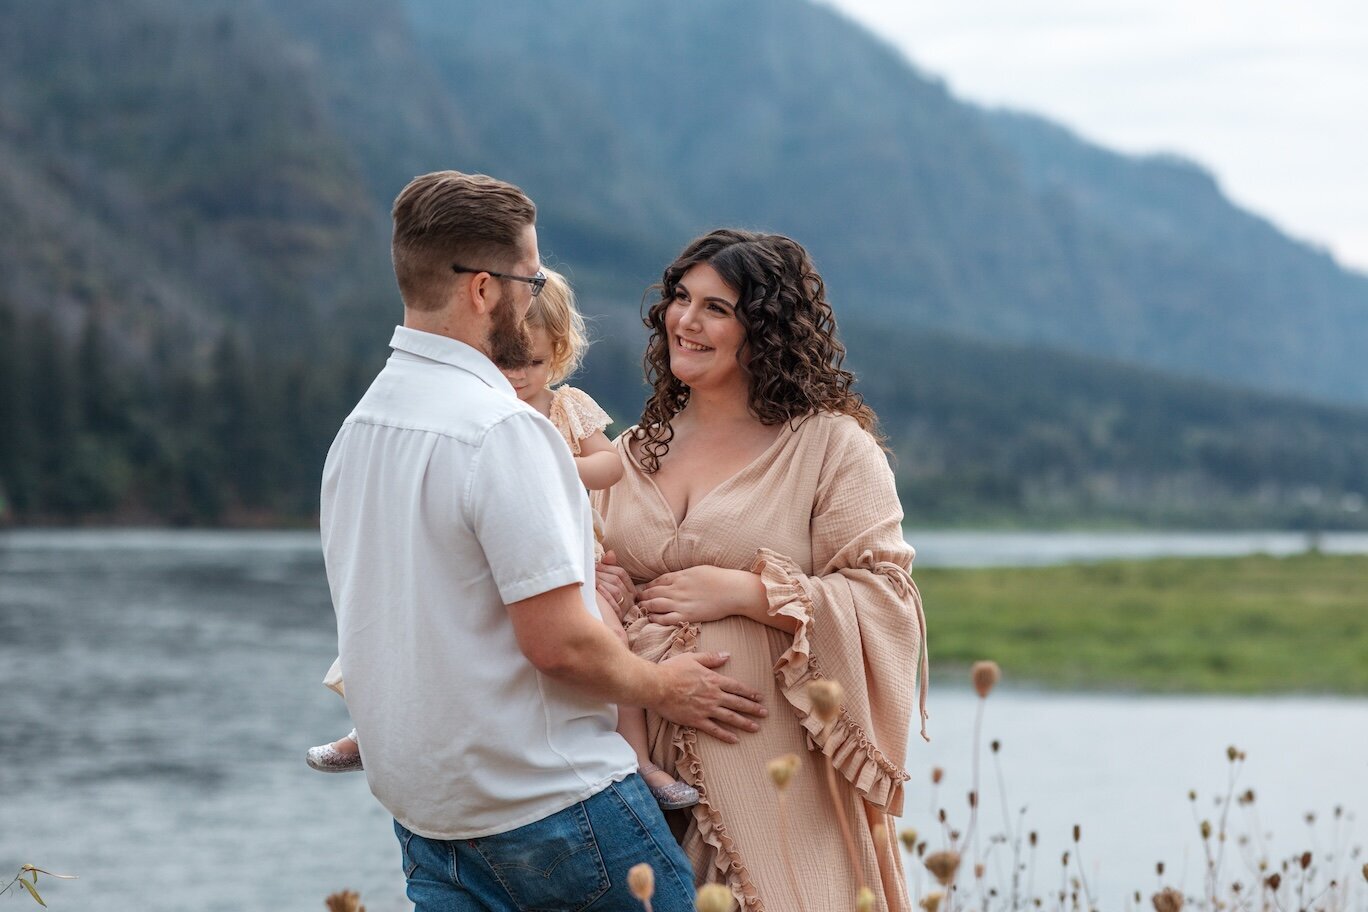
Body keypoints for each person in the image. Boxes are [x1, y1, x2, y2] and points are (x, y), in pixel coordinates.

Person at [319, 173, 765, 912]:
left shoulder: (360, 429)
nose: (535, 295)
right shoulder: (502, 431)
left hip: (428, 822)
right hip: (553, 812)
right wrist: (665, 687)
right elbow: (559, 644)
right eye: (529, 278)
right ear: (485, 289)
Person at [592, 229, 929, 912]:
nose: (685, 320)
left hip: (776, 775)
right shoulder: (634, 447)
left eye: (716, 308)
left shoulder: (831, 445)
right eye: (681, 298)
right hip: (637, 778)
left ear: (765, 328)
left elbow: (888, 597)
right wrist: (596, 581)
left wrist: (747, 592)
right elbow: (570, 562)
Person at [310, 267, 699, 811]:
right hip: (482, 551)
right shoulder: (478, 412)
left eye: (533, 363)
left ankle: (638, 758)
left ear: (557, 355)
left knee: (611, 635)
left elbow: (609, 466)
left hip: (569, 554)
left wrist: (548, 462)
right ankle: (370, 732)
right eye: (505, 362)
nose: (517, 376)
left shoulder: (564, 408)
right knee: (402, 625)